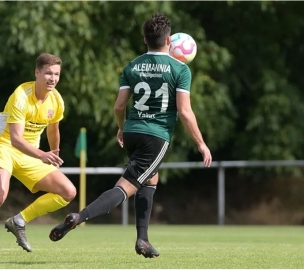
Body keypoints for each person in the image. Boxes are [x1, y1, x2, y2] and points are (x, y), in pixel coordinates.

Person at [49, 13, 212, 258]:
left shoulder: (133, 65)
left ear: (145, 39)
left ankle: (143, 240)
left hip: (133, 130)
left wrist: (121, 127)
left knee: (150, 179)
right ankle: (79, 217)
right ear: (168, 41)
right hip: (156, 136)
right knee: (126, 186)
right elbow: (185, 111)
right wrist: (201, 144)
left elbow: (118, 106)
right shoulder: (180, 69)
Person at [0, 53, 77, 257]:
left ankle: (19, 220)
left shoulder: (56, 100)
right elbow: (16, 139)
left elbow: (53, 129)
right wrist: (43, 155)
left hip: (31, 154)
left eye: (56, 74)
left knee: (68, 192)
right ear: (37, 72)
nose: (52, 78)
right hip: (4, 146)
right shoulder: (21, 95)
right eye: (48, 73)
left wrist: (54, 153)